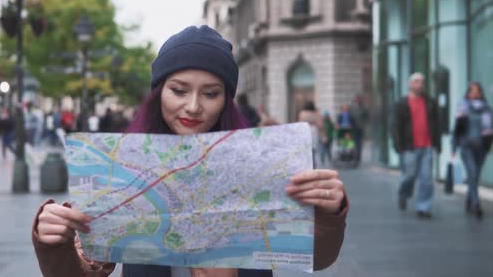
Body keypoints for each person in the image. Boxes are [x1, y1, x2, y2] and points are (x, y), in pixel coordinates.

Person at [32, 26, 349, 277]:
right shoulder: (120, 167)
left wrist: (327, 214)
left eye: (211, 93)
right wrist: (54, 242)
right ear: (159, 93)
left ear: (226, 99)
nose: (193, 106)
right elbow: (87, 270)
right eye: (179, 90)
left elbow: (316, 256)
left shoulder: (260, 165)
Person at [393, 72, 441, 219]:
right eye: (416, 82)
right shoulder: (402, 103)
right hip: (409, 146)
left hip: (427, 145)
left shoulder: (430, 102)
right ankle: (403, 192)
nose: (419, 84)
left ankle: (423, 207)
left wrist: (437, 144)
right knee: (409, 175)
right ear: (410, 84)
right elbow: (396, 126)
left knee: (426, 179)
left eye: (421, 82)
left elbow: (436, 124)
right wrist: (398, 145)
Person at [452, 82, 493, 219]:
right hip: (466, 146)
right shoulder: (463, 108)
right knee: (473, 172)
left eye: (477, 90)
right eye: (472, 90)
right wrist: (454, 147)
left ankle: (469, 199)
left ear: (481, 93)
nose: (475, 93)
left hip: (481, 147)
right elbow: (457, 129)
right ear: (468, 92)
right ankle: (476, 204)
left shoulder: (486, 109)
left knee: (475, 176)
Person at [298, 101, 324, 166]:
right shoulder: (315, 113)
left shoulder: (302, 113)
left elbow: (299, 123)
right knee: (313, 151)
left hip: (304, 131)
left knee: (305, 151)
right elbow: (320, 125)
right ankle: (313, 166)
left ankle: (306, 166)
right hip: (313, 131)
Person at [350, 95, 368, 162]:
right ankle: (353, 156)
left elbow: (366, 117)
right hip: (353, 129)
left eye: (358, 100)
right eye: (356, 100)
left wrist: (364, 124)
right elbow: (350, 118)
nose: (357, 101)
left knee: (359, 144)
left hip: (360, 128)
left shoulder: (364, 108)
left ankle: (358, 157)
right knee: (352, 143)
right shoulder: (351, 108)